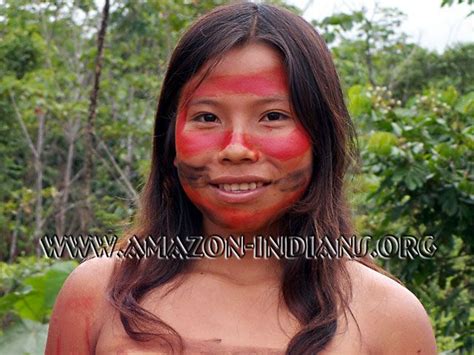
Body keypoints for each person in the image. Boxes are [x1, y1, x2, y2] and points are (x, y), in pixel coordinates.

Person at [45, 2, 437, 354]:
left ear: (321, 138)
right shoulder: (96, 296)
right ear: (169, 141)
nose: (236, 148)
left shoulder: (389, 317)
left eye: (273, 116)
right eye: (207, 117)